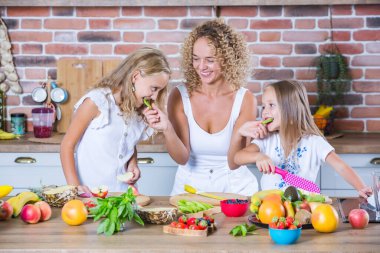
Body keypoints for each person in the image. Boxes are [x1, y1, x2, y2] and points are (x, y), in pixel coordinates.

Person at [144, 19, 259, 196]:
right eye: (196, 59)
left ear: (228, 59)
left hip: (235, 191)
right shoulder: (180, 95)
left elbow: (236, 161)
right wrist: (167, 129)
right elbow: (181, 158)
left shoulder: (245, 99)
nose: (201, 66)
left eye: (210, 60)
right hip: (188, 191)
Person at [233, 80, 372, 199]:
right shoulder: (266, 140)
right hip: (270, 208)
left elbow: (341, 167)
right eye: (263, 106)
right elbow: (238, 157)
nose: (264, 111)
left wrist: (361, 187)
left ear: (291, 110)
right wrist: (258, 156)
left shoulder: (314, 142)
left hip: (304, 208)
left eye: (271, 105)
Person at [60, 47, 171, 194]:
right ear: (135, 77)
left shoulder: (139, 110)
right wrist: (74, 188)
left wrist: (132, 163)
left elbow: (125, 142)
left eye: (159, 90)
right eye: (154, 88)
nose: (155, 96)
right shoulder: (97, 102)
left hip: (124, 196)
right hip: (90, 196)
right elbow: (67, 145)